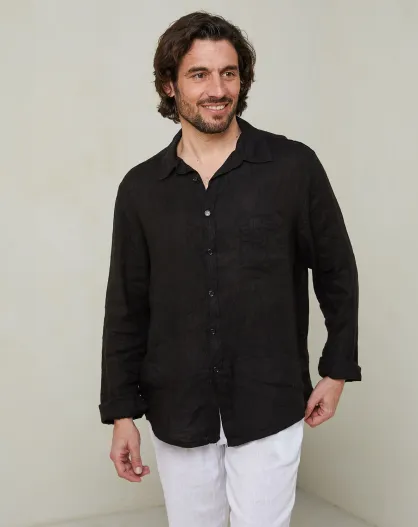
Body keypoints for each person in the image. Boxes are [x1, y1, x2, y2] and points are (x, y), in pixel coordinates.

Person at [99, 11, 362, 527]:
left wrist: (336, 370)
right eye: (199, 74)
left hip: (269, 399)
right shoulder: (140, 190)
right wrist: (121, 413)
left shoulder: (293, 167)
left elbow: (337, 273)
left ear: (243, 80)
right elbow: (126, 306)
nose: (217, 90)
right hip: (177, 406)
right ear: (169, 85)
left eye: (229, 73)